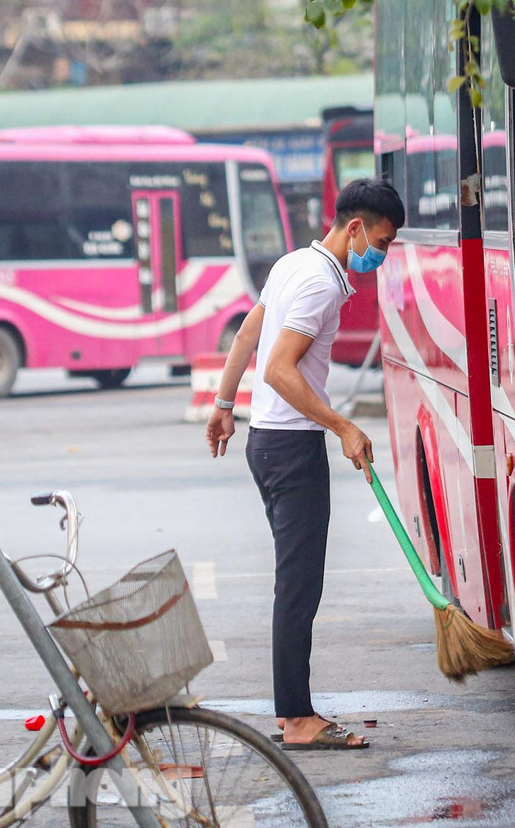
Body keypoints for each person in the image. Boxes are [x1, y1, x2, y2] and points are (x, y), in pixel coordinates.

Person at [205, 177, 404, 750]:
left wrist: (223, 405)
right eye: (383, 242)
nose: (381, 254)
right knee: (299, 586)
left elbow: (250, 331)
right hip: (291, 449)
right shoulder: (318, 283)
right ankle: (296, 718)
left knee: (296, 582)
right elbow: (279, 369)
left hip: (266, 442)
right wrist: (342, 425)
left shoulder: (296, 263)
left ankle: (295, 710)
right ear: (356, 227)